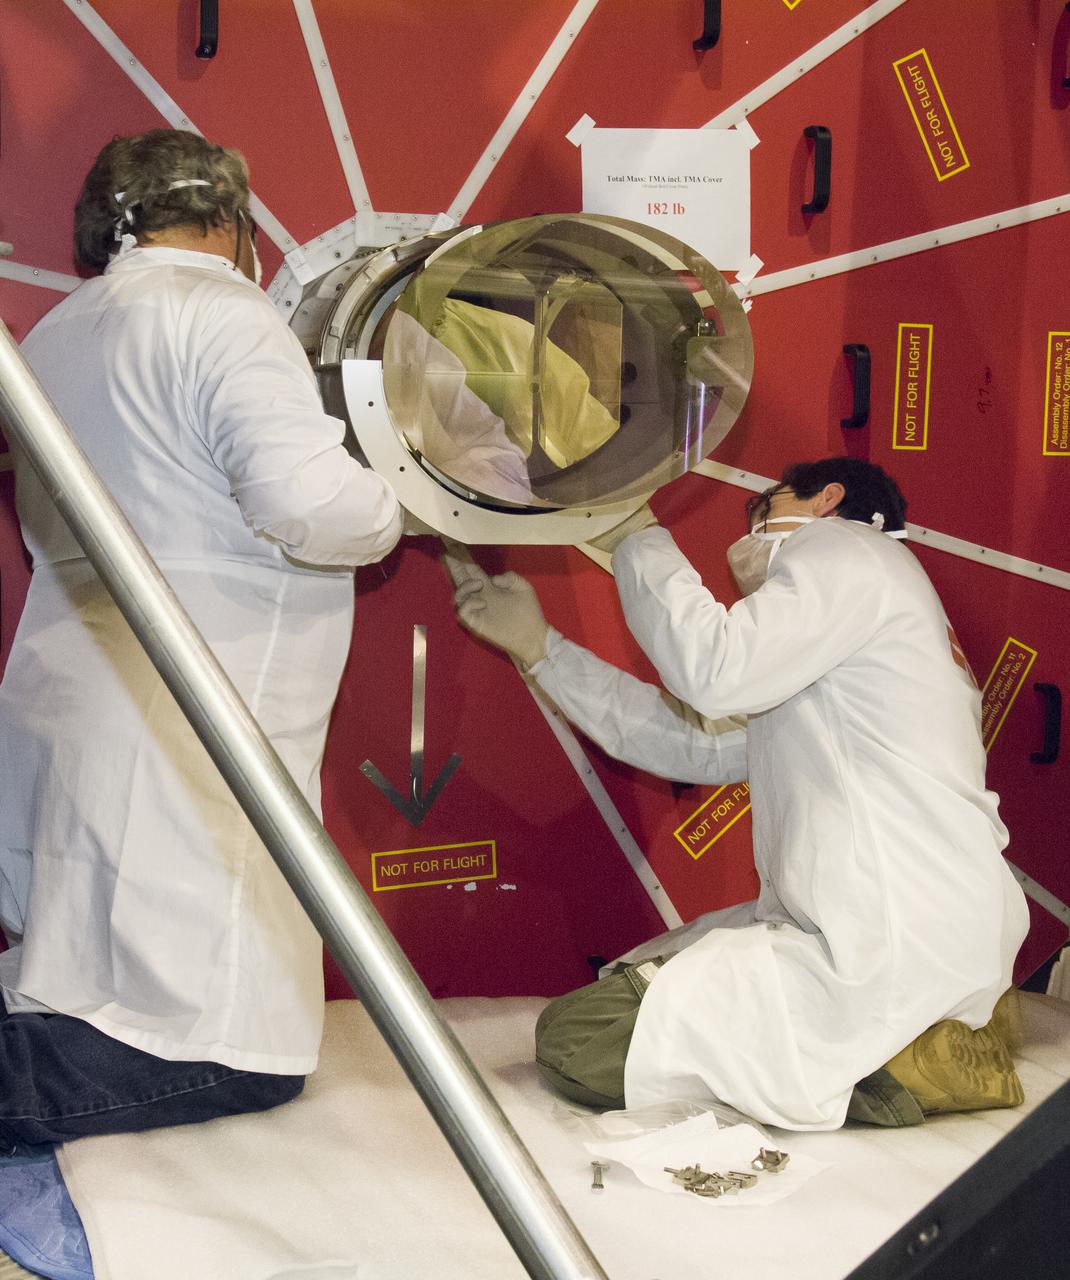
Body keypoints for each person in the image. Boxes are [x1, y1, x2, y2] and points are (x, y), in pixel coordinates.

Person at [0, 129, 405, 1146]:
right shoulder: (222, 311)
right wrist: (399, 497)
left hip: (76, 693)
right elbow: (308, 504)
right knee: (218, 1045)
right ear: (229, 219)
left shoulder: (55, 332)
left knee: (79, 978)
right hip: (194, 715)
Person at [451, 457, 1030, 1130]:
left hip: (889, 935)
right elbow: (689, 743)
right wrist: (540, 649)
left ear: (827, 500)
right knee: (630, 979)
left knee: (578, 1041)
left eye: (765, 510)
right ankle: (940, 1026)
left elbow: (715, 668)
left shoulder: (848, 549)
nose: (750, 536)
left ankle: (902, 1061)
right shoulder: (862, 636)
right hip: (924, 927)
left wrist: (636, 531)